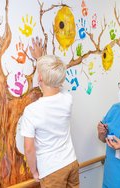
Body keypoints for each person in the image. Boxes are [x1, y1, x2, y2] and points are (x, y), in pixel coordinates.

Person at [18, 37, 79, 188]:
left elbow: (29, 148)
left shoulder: (32, 111)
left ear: (39, 78)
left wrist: (34, 171)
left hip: (52, 170)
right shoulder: (67, 99)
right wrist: (41, 58)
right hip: (71, 163)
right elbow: (56, 82)